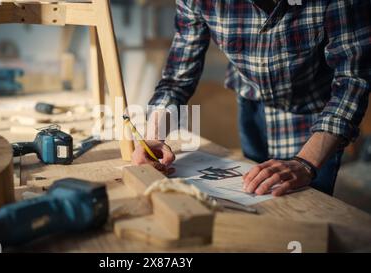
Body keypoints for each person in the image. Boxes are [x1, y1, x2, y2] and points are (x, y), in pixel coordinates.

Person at [131, 0, 370, 196]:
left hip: (315, 116)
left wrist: (305, 163)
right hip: (252, 109)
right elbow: (177, 79)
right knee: (253, 200)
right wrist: (154, 138)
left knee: (307, 219)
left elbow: (353, 80)